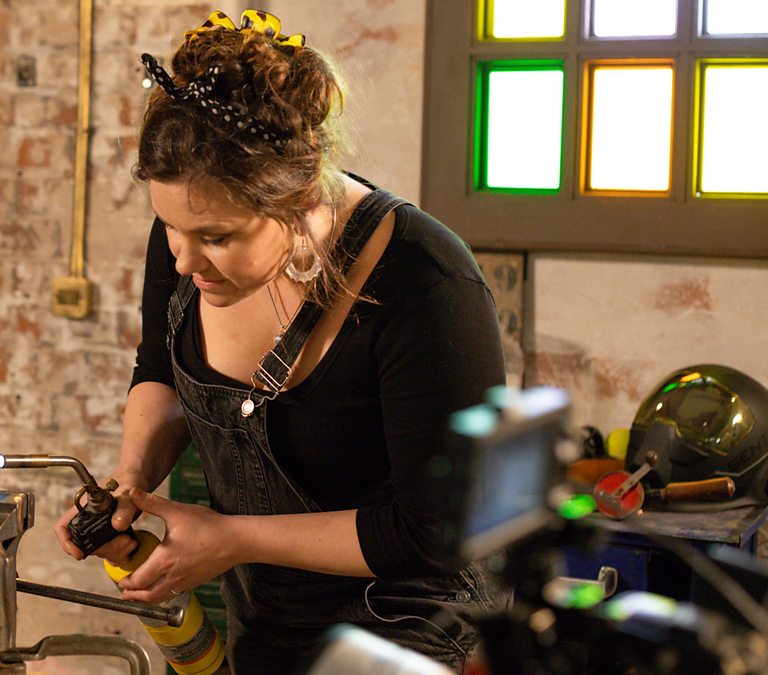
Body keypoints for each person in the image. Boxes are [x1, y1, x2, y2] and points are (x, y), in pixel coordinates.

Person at [55, 9, 507, 674]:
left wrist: (231, 538)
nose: (184, 260)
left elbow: (436, 530)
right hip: (269, 617)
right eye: (170, 228)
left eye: (217, 237)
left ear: (297, 198)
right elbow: (160, 372)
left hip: (411, 629)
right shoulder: (187, 234)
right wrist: (131, 483)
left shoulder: (427, 281)